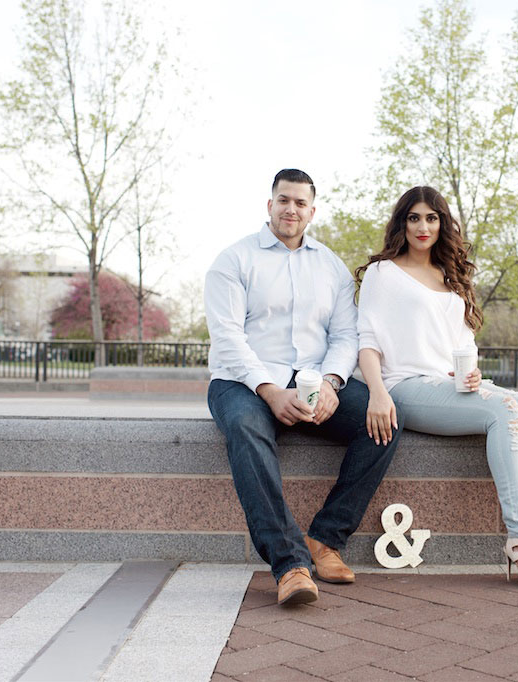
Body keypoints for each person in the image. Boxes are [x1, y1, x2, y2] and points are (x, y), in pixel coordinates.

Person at [355, 185, 518, 591]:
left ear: (443, 223)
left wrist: (472, 373)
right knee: (506, 411)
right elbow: (367, 341)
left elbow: (464, 346)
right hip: (405, 386)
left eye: (432, 217)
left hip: (451, 385)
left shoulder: (449, 275)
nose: (423, 226)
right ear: (401, 223)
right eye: (414, 218)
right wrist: (377, 392)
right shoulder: (383, 273)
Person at [205, 169, 403, 606]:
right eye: (283, 200)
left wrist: (332, 383)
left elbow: (346, 335)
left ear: (312, 211)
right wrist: (271, 391)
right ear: (269, 205)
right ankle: (289, 564)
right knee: (245, 428)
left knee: (385, 420)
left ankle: (325, 538)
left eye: (300, 203)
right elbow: (228, 338)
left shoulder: (329, 266)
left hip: (313, 378)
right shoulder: (233, 260)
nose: (291, 209)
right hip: (242, 380)